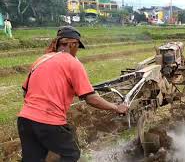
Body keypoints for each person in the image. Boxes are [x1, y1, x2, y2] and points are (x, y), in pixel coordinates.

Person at [17, 26, 128, 162]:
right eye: (77, 47)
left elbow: (26, 91)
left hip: (24, 120)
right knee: (71, 154)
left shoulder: (41, 60)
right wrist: (116, 107)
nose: (77, 51)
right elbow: (91, 98)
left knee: (32, 159)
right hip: (49, 121)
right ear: (72, 44)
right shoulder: (73, 63)